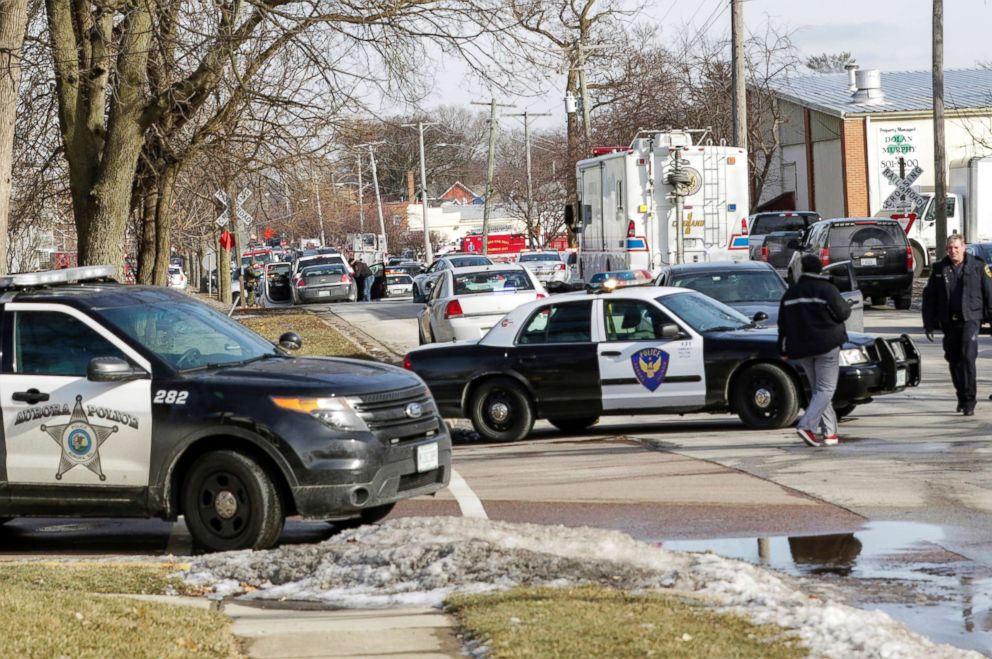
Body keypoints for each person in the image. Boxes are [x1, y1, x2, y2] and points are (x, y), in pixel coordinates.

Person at [778, 253, 851, 447]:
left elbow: (782, 324)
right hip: (826, 345)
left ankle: (830, 434)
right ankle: (807, 426)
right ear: (820, 269)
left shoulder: (790, 294)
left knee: (819, 392)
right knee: (826, 390)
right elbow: (843, 312)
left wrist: (782, 349)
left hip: (801, 349)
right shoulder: (827, 289)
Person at [922, 234, 992, 415]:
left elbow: (989, 294)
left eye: (956, 248)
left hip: (970, 319)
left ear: (963, 248)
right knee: (953, 360)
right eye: (950, 248)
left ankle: (970, 400)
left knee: (968, 358)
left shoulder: (978, 266)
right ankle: (961, 395)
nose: (953, 251)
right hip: (948, 321)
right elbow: (929, 298)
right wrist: (928, 323)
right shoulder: (939, 269)